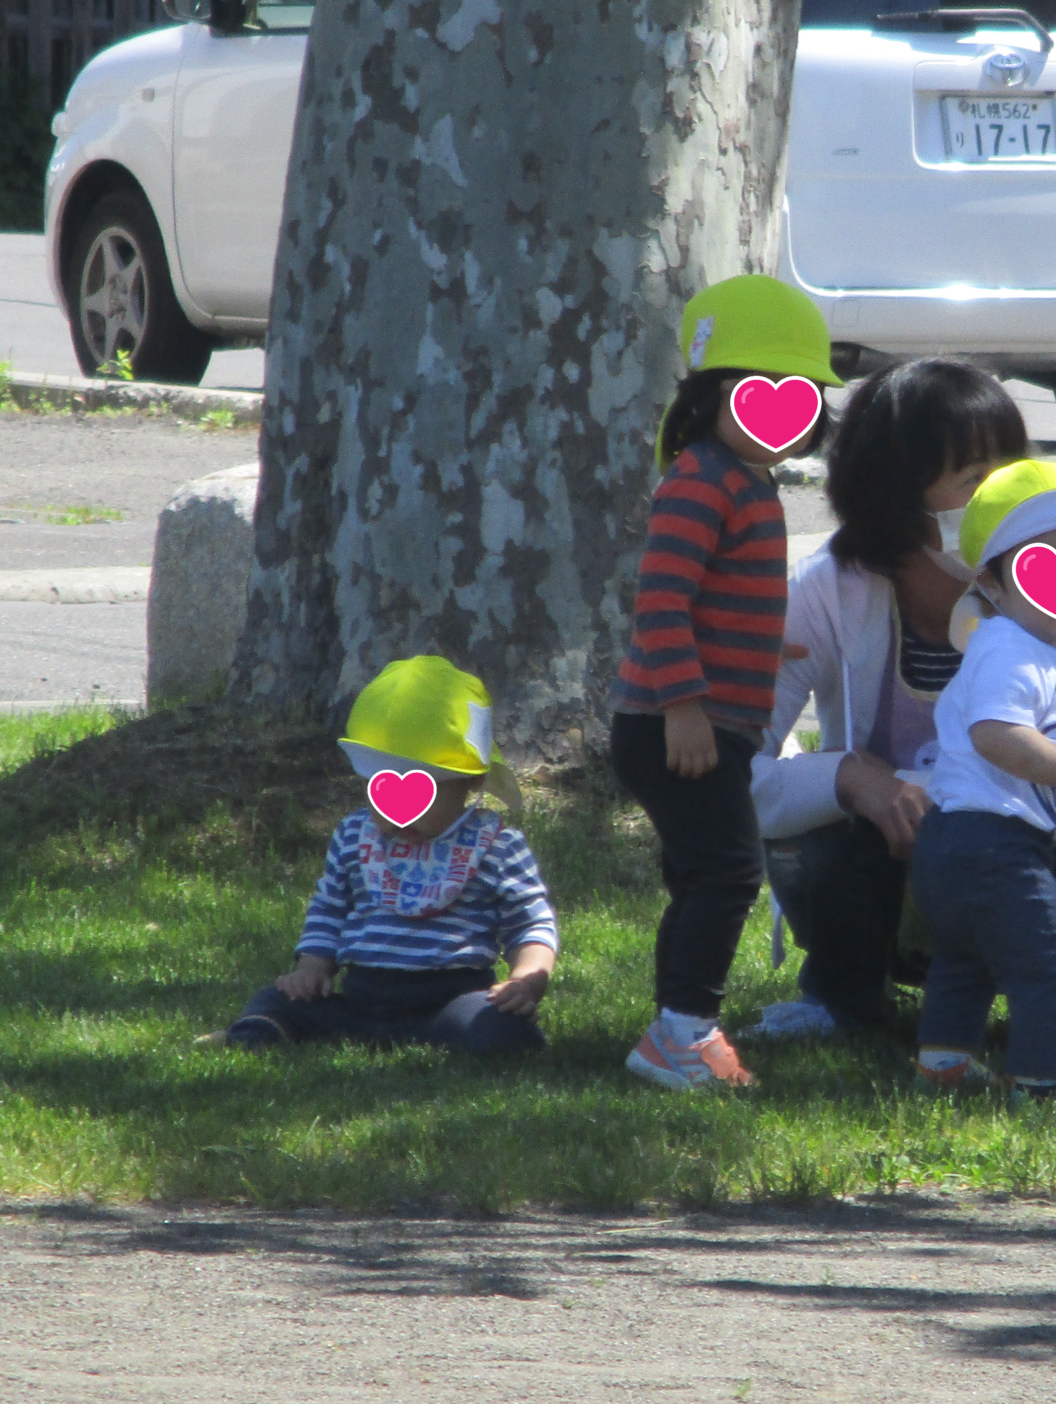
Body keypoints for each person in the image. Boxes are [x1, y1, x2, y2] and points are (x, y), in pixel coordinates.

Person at [749, 358, 1056, 1058]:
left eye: (1010, 466)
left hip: (1031, 863)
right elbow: (743, 775)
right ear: (897, 497)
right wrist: (847, 777)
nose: (1005, 495)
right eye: (973, 476)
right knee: (811, 852)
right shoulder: (824, 592)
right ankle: (840, 996)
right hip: (895, 871)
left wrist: (970, 798)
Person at [611, 275, 844, 1091]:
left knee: (700, 874)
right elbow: (662, 600)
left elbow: (714, 601)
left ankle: (672, 1030)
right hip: (677, 721)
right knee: (731, 872)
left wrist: (759, 651)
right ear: (711, 397)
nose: (785, 413)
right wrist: (685, 707)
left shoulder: (746, 479)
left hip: (707, 715)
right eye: (761, 393)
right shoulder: (703, 479)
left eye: (802, 397)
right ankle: (684, 1033)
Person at [910, 459, 1056, 1101]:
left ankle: (944, 1064)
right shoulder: (1009, 647)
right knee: (1051, 965)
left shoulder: (1039, 648)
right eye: (1044, 566)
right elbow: (997, 736)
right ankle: (1041, 1080)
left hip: (956, 842)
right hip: (993, 845)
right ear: (990, 578)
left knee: (965, 961)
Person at [214, 656, 557, 1055]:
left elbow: (530, 921)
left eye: (423, 789)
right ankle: (257, 1031)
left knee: (493, 1021)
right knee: (277, 999)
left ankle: (501, 1040)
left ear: (471, 779)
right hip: (359, 1004)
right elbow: (330, 907)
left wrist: (526, 981)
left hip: (449, 1003)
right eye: (381, 786)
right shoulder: (354, 836)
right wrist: (312, 968)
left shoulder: (497, 845)